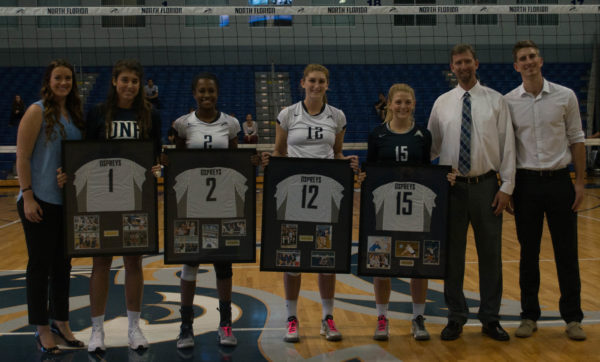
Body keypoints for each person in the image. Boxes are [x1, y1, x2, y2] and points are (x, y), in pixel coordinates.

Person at [261, 64, 359, 343]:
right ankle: (292, 318)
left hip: (325, 195)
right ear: (302, 83)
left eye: (322, 81)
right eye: (312, 81)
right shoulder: (288, 114)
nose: (316, 85)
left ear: (327, 85)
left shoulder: (337, 116)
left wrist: (347, 163)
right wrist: (271, 161)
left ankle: (327, 317)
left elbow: (336, 153)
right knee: (292, 257)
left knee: (326, 258)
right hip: (294, 193)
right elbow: (280, 151)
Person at [427, 44, 516, 341]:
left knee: (491, 256)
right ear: (452, 67)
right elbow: (431, 147)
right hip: (452, 189)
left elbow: (508, 148)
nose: (463, 67)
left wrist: (507, 187)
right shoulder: (441, 103)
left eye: (467, 61)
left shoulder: (496, 101)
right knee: (452, 258)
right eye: (457, 63)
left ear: (476, 63)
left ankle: (490, 318)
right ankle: (456, 316)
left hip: (487, 186)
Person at [72, 59, 162, 353]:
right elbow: (85, 155)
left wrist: (158, 171)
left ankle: (134, 328)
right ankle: (97, 331)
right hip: (101, 199)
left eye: (134, 81)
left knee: (134, 262)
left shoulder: (151, 115)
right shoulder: (99, 113)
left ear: (140, 85)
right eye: (124, 80)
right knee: (101, 262)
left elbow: (155, 158)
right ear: (114, 81)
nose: (129, 86)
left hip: (135, 199)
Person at [504, 40, 586, 341]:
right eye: (522, 59)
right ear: (516, 66)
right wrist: (509, 187)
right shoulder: (509, 101)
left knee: (567, 253)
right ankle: (529, 315)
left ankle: (573, 318)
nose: (528, 62)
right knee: (529, 254)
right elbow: (508, 148)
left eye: (532, 57)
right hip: (526, 185)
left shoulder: (566, 96)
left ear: (541, 60)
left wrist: (579, 182)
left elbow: (577, 138)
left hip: (559, 182)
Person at [16, 59, 85, 355]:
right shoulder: (36, 111)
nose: (63, 83)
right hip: (39, 201)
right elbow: (22, 156)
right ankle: (41, 328)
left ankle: (62, 322)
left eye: (68, 78)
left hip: (65, 203)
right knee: (39, 267)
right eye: (58, 78)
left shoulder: (74, 114)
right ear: (48, 80)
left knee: (62, 266)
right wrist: (27, 195)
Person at [171, 72, 241, 349]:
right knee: (190, 264)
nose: (206, 96)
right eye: (201, 91)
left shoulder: (231, 123)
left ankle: (225, 324)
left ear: (217, 93)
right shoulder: (182, 124)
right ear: (194, 94)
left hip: (222, 206)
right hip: (193, 205)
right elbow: (177, 165)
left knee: (223, 264)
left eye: (211, 91)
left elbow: (237, 164)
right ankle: (185, 327)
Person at [366, 83, 440, 341]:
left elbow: (428, 172)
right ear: (389, 104)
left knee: (417, 266)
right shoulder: (377, 135)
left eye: (407, 102)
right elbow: (371, 174)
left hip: (414, 211)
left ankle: (418, 317)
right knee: (381, 264)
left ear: (414, 104)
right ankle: (382, 316)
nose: (403, 106)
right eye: (398, 102)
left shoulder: (423, 135)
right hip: (386, 211)